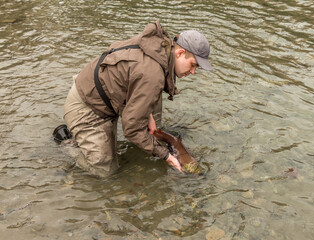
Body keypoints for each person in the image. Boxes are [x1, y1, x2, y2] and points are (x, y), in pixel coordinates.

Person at [61, 20, 213, 177]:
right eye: (193, 65)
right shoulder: (152, 75)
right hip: (88, 107)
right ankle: (67, 143)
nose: (193, 72)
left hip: (102, 93)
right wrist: (166, 156)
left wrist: (148, 116)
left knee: (143, 131)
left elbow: (134, 81)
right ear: (180, 53)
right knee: (104, 171)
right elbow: (131, 130)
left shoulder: (159, 47)